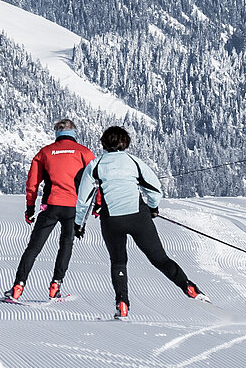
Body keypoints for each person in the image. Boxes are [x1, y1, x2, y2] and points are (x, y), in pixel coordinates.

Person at [73, 125, 201, 320]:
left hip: (112, 219)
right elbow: (154, 187)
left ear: (104, 143)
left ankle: (122, 304)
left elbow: (84, 198)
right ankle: (188, 287)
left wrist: (79, 224)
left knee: (118, 262)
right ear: (125, 143)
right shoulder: (134, 162)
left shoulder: (95, 165)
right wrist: (153, 207)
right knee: (160, 259)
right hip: (138, 216)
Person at [11, 119, 96, 301]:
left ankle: (18, 286)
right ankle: (56, 284)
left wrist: (29, 208)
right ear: (74, 133)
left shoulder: (45, 152)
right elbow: (97, 180)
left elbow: (32, 184)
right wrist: (97, 205)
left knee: (34, 247)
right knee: (66, 245)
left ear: (56, 133)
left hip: (51, 205)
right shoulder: (85, 153)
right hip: (74, 208)